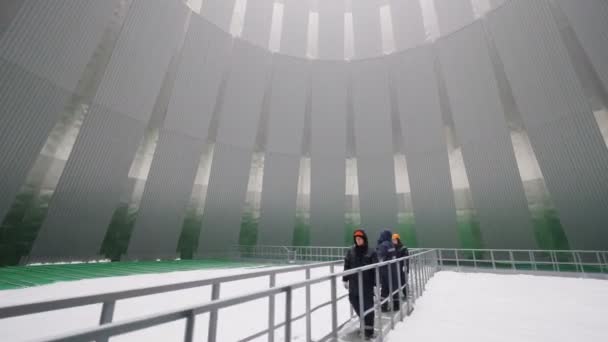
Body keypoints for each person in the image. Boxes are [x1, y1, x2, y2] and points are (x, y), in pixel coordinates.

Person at [343, 229, 377, 339]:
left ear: (364, 239)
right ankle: (364, 321)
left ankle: (369, 331)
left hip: (367, 285)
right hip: (354, 284)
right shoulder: (351, 251)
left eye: (360, 239)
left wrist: (377, 284)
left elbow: (376, 269)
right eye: (356, 239)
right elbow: (347, 265)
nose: (358, 241)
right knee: (353, 300)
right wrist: (345, 279)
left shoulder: (371, 252)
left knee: (368, 307)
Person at [376, 230, 400, 312]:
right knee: (394, 287)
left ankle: (384, 307)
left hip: (385, 269)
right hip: (393, 269)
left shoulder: (383, 245)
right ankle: (396, 306)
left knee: (385, 288)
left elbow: (380, 257)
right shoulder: (391, 244)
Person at [392, 233, 409, 299]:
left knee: (403, 281)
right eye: (393, 240)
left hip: (402, 268)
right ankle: (397, 296)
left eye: (395, 240)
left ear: (398, 240)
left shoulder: (403, 248)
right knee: (396, 282)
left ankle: (406, 294)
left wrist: (405, 266)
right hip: (395, 268)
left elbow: (406, 258)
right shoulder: (392, 248)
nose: (393, 241)